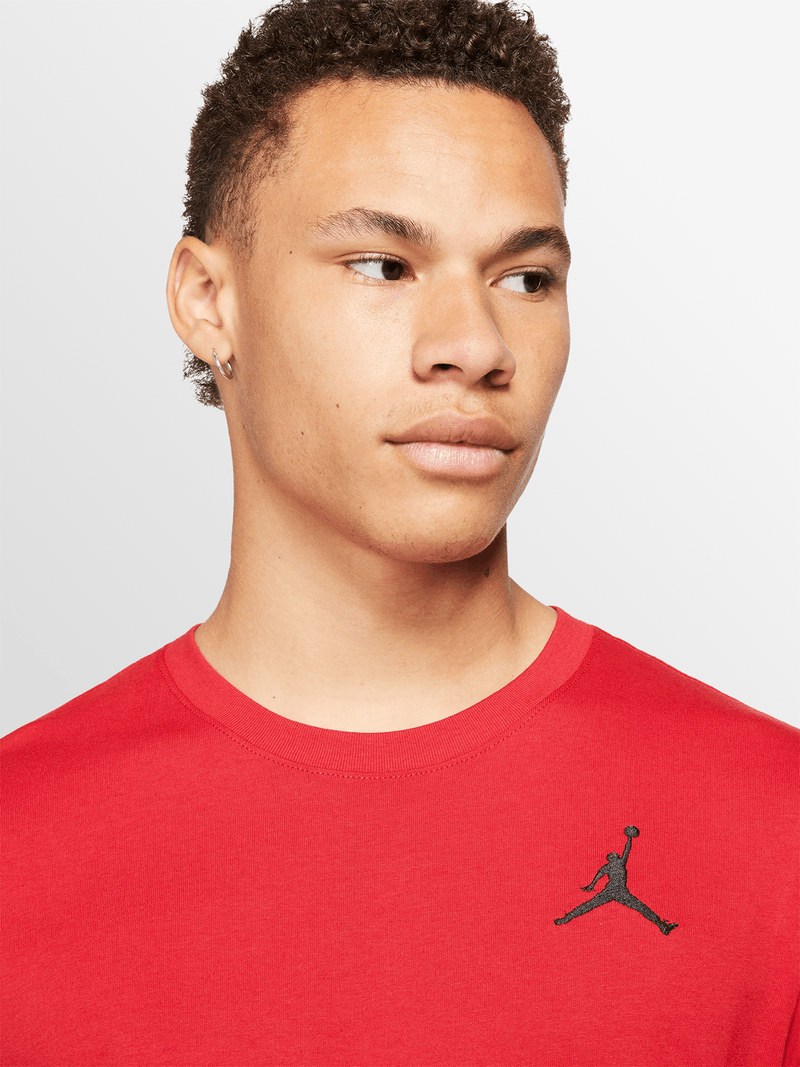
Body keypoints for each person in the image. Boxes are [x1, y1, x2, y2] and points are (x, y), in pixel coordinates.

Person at [2, 1, 797, 1064]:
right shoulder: (21, 845)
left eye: (524, 278)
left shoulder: (771, 826)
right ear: (207, 300)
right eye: (382, 265)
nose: (474, 345)